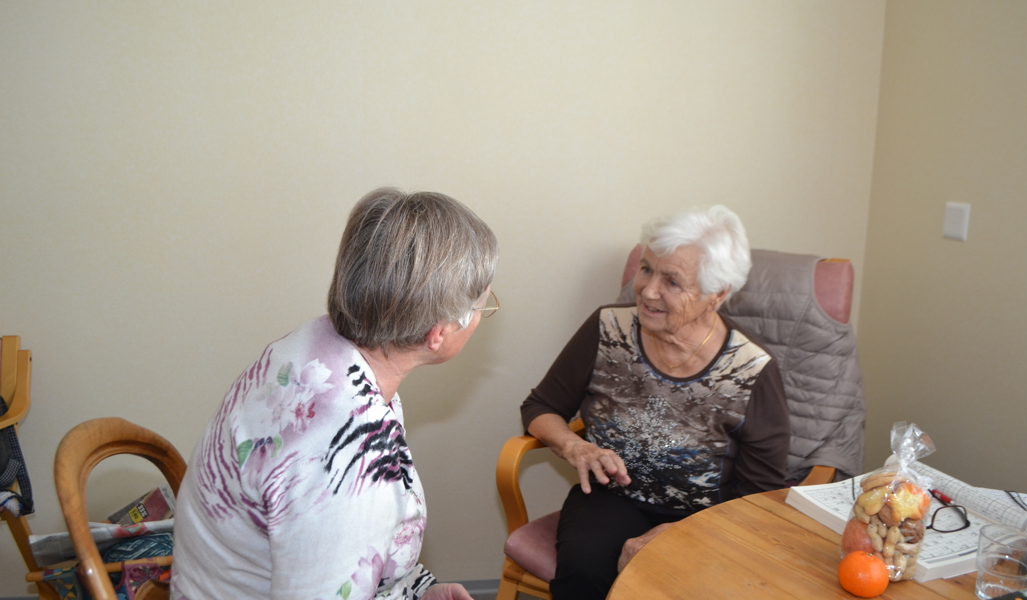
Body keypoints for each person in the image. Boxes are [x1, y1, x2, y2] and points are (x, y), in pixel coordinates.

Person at [172, 188, 499, 600]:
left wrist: (415, 591)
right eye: (485, 308)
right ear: (438, 334)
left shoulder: (314, 347)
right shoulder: (349, 470)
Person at [520, 206, 790, 600]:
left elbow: (760, 495)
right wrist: (573, 445)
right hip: (610, 496)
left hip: (707, 518)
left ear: (717, 295)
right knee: (584, 569)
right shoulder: (607, 327)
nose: (647, 291)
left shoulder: (752, 370)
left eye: (672, 281)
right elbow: (540, 406)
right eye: (646, 269)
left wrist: (680, 535)